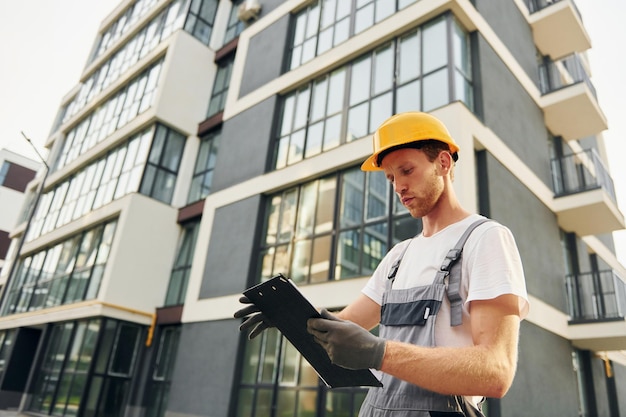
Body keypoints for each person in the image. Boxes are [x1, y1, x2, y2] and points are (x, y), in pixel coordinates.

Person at [235, 112, 529, 416]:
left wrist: (380, 353)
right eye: (391, 178)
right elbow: (345, 327)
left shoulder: (485, 240)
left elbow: (496, 371)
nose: (399, 187)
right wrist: (289, 316)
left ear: (443, 163)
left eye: (407, 170)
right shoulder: (398, 257)